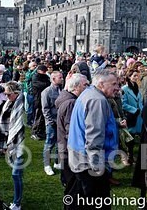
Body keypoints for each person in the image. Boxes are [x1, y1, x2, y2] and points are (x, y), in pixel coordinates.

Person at [67, 69, 119, 209]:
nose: (117, 87)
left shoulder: (89, 93)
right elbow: (94, 137)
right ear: (101, 84)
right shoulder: (97, 100)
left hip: (81, 159)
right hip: (90, 164)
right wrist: (98, 169)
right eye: (114, 84)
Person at [55, 73, 88, 204]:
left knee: (71, 186)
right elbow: (71, 131)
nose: (88, 87)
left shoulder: (67, 99)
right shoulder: (71, 103)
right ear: (76, 86)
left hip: (66, 149)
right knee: (73, 188)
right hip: (70, 151)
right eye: (85, 85)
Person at [0, 82, 26, 210]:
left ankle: (17, 203)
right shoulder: (8, 104)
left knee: (16, 174)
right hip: (11, 142)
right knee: (17, 174)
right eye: (5, 94)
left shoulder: (23, 103)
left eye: (8, 94)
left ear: (17, 93)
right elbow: (4, 125)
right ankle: (17, 201)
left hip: (21, 142)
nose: (6, 97)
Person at [41, 71, 63, 176]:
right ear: (53, 79)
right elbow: (45, 109)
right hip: (51, 122)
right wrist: (50, 122)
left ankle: (57, 162)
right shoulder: (46, 92)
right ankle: (47, 165)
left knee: (60, 143)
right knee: (49, 143)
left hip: (60, 122)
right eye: (60, 77)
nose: (62, 78)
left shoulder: (61, 90)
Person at [121, 69, 143, 166]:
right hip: (131, 115)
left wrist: (141, 110)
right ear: (129, 77)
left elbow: (140, 101)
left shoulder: (137, 88)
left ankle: (136, 156)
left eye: (137, 76)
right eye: (134, 75)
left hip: (139, 116)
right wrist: (134, 109)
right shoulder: (124, 89)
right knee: (130, 137)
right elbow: (123, 103)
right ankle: (129, 156)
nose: (136, 77)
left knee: (138, 136)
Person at [31, 65, 51, 140]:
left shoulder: (44, 76)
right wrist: (47, 84)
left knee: (43, 117)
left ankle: (41, 132)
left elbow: (49, 83)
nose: (45, 72)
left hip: (44, 99)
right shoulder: (35, 77)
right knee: (38, 117)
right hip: (38, 99)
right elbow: (41, 85)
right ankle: (34, 132)